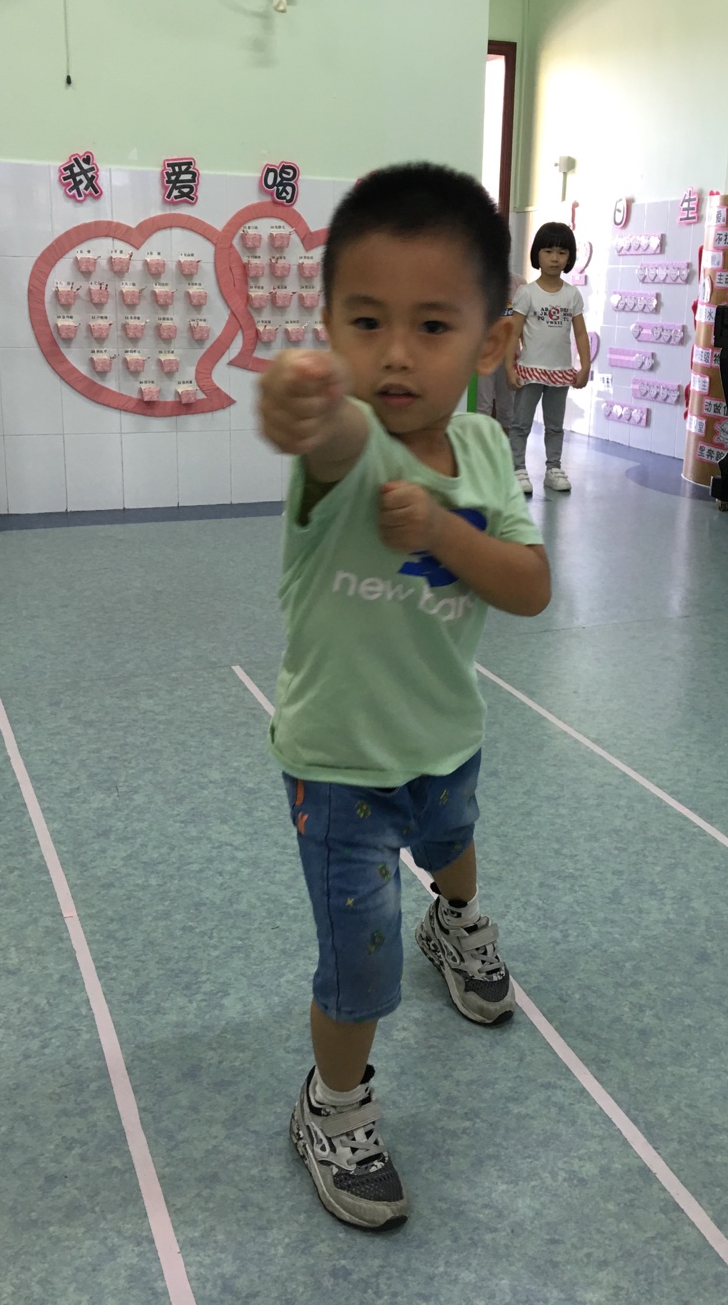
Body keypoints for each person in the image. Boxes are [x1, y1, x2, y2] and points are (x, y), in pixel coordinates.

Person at [258, 163, 551, 1232]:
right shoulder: (345, 451)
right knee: (360, 968)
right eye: (366, 321)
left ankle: (457, 922)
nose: (393, 353)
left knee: (455, 844)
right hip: (340, 768)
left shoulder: (482, 450)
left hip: (446, 739)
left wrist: (438, 529)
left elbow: (529, 585)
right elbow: (327, 436)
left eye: (431, 326)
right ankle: (333, 1107)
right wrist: (296, 404)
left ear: (492, 342)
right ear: (330, 329)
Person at [505, 221, 591, 496]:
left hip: (560, 372)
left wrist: (585, 366)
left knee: (555, 426)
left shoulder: (572, 294)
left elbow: (580, 334)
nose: (555, 258)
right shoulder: (526, 293)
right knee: (521, 424)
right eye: (548, 251)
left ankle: (553, 469)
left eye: (562, 252)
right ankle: (517, 469)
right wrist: (509, 366)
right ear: (537, 254)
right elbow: (513, 332)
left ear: (570, 257)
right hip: (529, 370)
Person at [473, 273, 524, 433]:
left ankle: (504, 446)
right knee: (483, 406)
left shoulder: (518, 283)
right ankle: (482, 446)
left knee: (508, 408)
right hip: (483, 354)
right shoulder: (477, 279)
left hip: (510, 355)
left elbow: (524, 321)